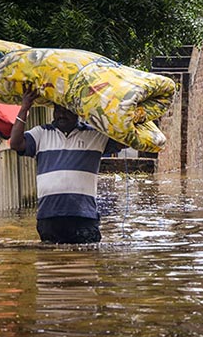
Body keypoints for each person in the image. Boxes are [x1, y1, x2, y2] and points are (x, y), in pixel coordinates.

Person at [10, 82, 124, 244]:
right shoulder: (41, 133)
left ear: (78, 111)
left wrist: (111, 108)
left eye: (67, 110)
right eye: (58, 110)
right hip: (49, 218)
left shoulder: (95, 135)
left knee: (84, 263)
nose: (61, 115)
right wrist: (25, 107)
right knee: (49, 266)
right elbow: (15, 144)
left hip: (83, 217)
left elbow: (124, 141)